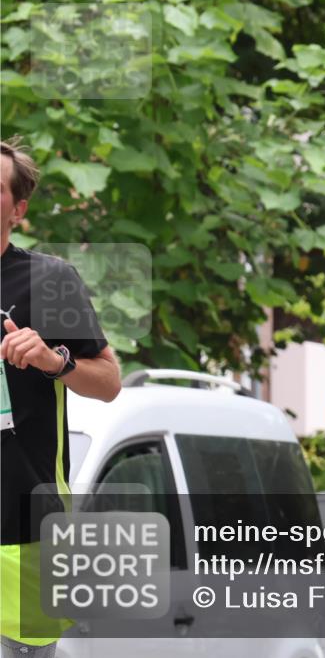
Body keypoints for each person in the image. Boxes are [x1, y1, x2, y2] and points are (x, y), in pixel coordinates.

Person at [0, 137, 122, 658]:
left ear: (17, 210)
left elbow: (110, 381)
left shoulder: (48, 280)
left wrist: (56, 361)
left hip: (22, 532)